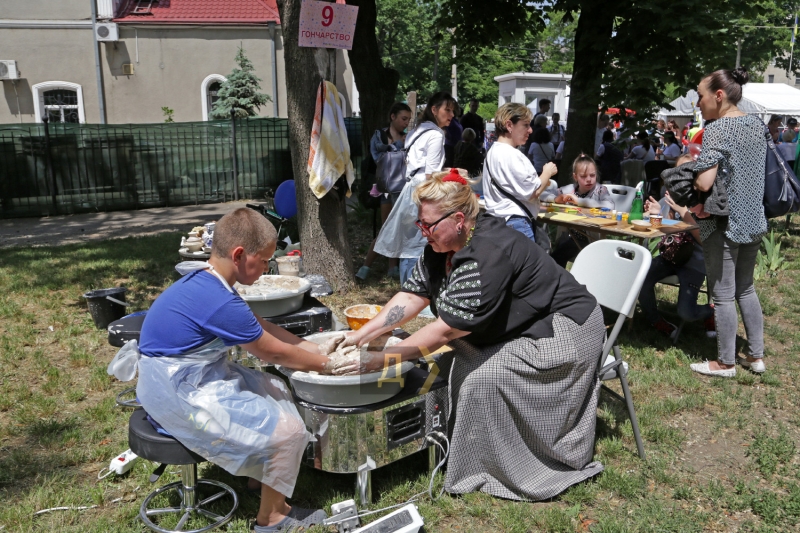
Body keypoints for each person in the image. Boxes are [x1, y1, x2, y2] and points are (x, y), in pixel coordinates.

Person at [336, 172, 605, 502]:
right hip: (525, 320)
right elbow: (412, 296)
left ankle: (492, 466)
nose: (423, 231)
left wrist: (383, 358)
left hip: (566, 327)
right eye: (420, 223)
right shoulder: (442, 242)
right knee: (448, 363)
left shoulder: (488, 253)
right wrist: (361, 335)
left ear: (459, 219)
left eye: (428, 225)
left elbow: (446, 330)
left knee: (483, 378)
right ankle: (448, 439)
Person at [130, 208, 333, 532]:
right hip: (176, 396)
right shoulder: (218, 300)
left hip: (185, 378)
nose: (267, 268)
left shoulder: (210, 281)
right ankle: (272, 519)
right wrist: (330, 365)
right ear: (239, 255)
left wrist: (318, 347)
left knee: (276, 389)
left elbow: (260, 326)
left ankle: (260, 477)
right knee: (288, 430)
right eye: (265, 260)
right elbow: (274, 352)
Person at [690, 66, 766, 377]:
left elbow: (705, 183)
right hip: (753, 219)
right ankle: (756, 356)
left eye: (700, 96)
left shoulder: (718, 129)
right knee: (745, 289)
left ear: (718, 96)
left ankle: (725, 362)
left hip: (723, 223)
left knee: (722, 294)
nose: (698, 103)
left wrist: (693, 174)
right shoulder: (756, 125)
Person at [374, 92, 454, 285]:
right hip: (423, 192)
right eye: (447, 110)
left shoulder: (417, 131)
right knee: (417, 243)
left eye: (453, 110)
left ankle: (407, 287)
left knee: (409, 242)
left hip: (410, 189)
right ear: (434, 110)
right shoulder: (435, 135)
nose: (451, 114)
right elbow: (430, 176)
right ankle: (414, 290)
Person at [639, 159, 715, 339]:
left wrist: (684, 213)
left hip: (693, 263)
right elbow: (661, 228)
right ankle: (656, 320)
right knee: (641, 280)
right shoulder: (670, 195)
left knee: (686, 313)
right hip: (670, 257)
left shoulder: (707, 200)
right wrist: (656, 213)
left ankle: (712, 311)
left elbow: (706, 241)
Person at [482, 102, 556, 243]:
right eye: (525, 125)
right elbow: (533, 192)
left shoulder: (492, 152)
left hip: (496, 224)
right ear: (509, 125)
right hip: (516, 224)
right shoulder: (512, 154)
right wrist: (547, 172)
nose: (530, 130)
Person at [356, 102, 412, 281]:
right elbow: (378, 157)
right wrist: (397, 145)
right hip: (386, 189)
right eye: (404, 119)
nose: (406, 123)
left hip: (403, 188)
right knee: (387, 227)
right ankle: (365, 267)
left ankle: (392, 267)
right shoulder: (379, 135)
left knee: (398, 228)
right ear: (392, 116)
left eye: (409, 120)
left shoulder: (408, 137)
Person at [541, 154, 614, 267]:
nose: (589, 179)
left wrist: (579, 201)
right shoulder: (569, 189)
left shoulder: (600, 190)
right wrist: (556, 199)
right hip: (571, 238)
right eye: (583, 176)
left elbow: (610, 206)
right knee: (554, 260)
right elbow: (542, 194)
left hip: (592, 240)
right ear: (575, 177)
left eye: (592, 175)